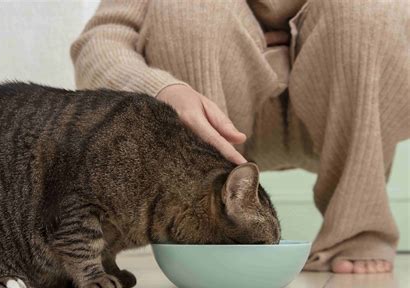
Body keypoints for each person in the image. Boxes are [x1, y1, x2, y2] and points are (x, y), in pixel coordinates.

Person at [70, 0, 409, 273]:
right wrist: (161, 89)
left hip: (350, 111)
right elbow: (100, 42)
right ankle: (205, 224)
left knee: (370, 9)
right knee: (189, 7)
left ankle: (357, 229)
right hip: (206, 117)